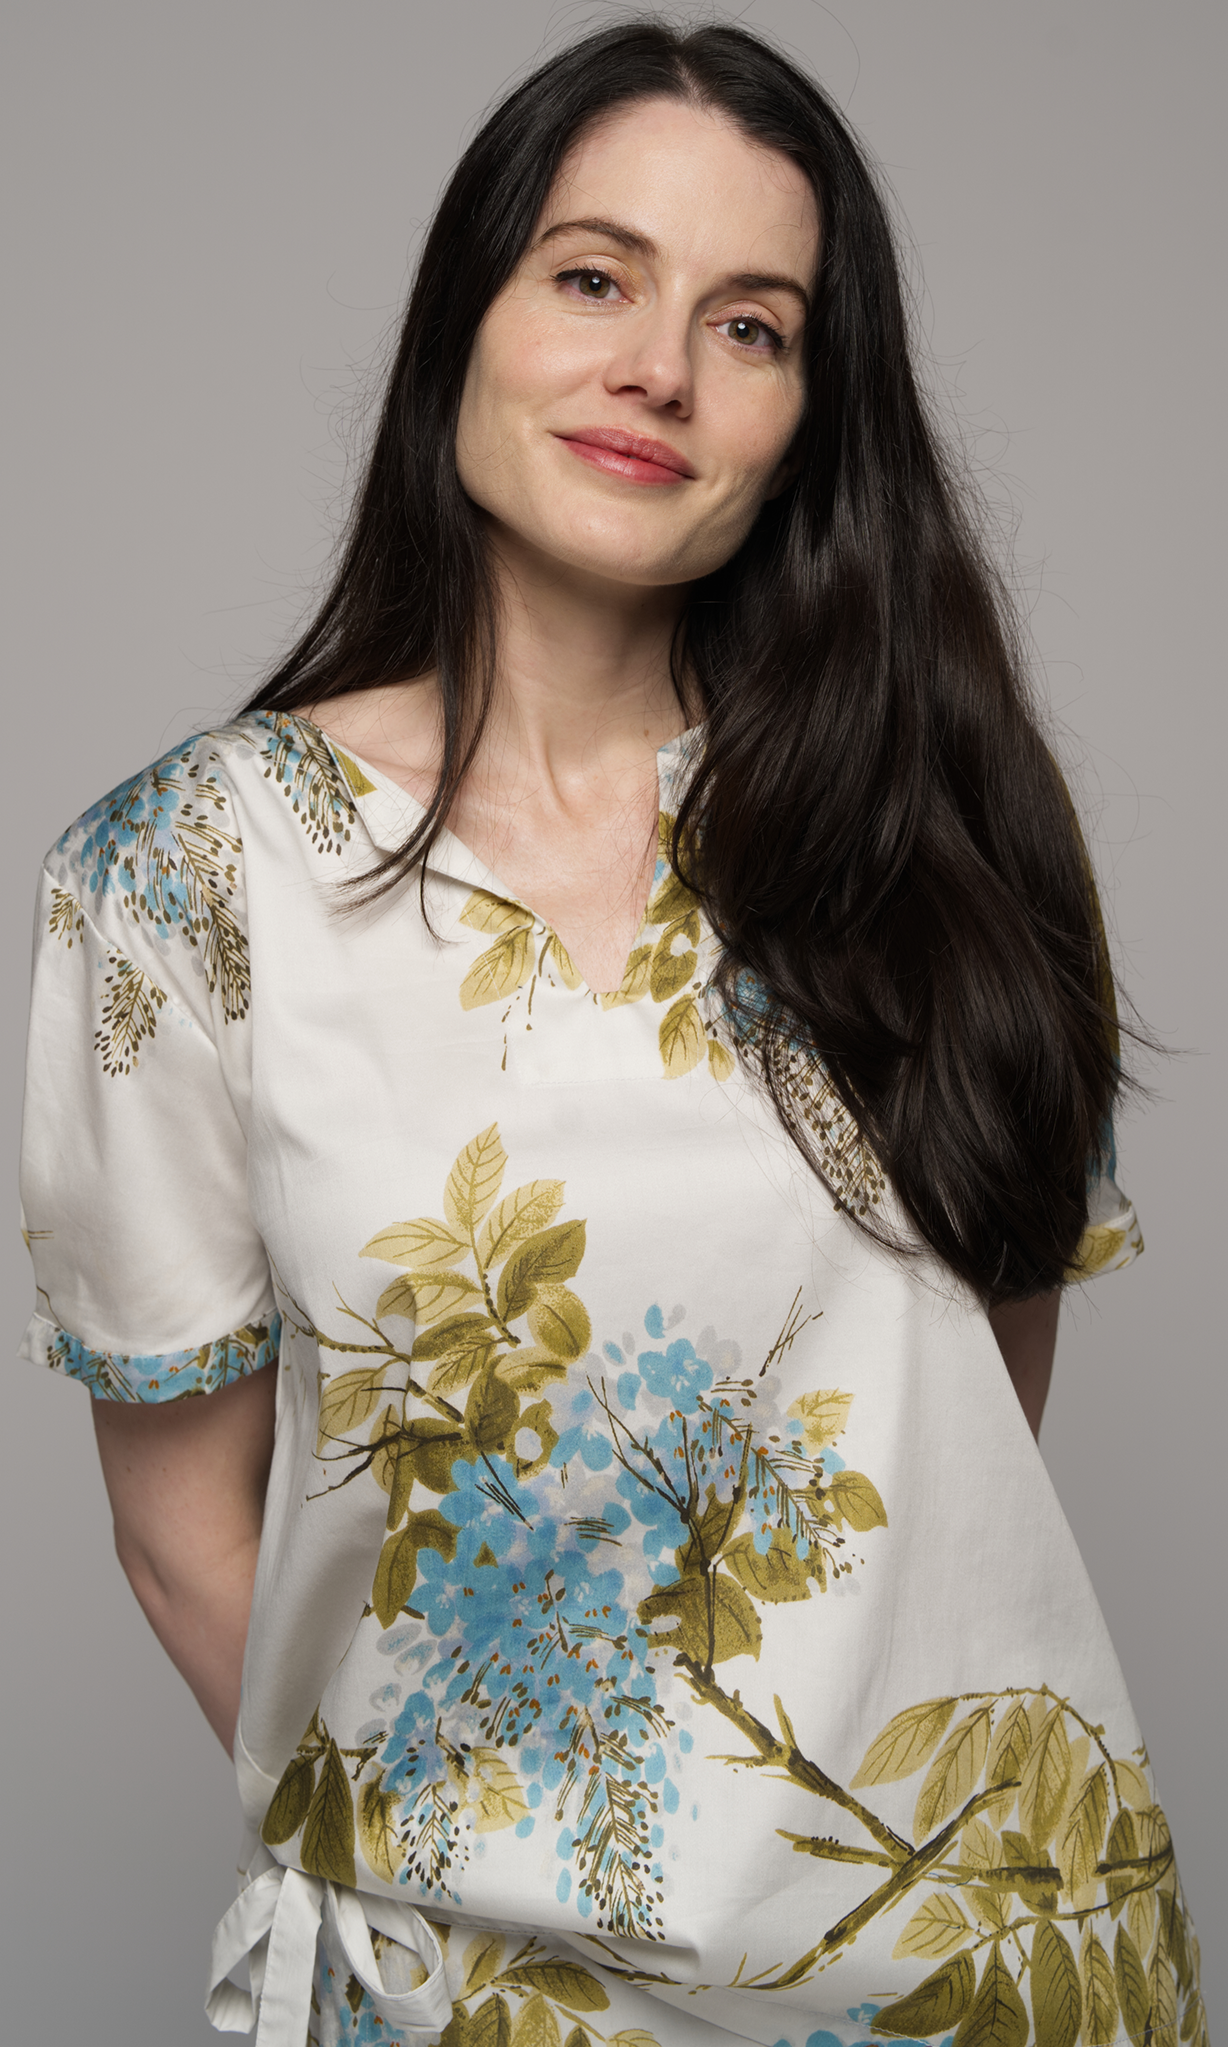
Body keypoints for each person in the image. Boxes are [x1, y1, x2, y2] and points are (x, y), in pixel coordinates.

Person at [18, 18, 1205, 2047]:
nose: (656, 364)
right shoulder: (187, 881)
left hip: (1000, 1984)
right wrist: (499, 1883)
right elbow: (181, 1529)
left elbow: (967, 1432)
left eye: (750, 326)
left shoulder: (936, 827)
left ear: (806, 420)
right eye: (592, 277)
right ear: (459, 323)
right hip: (477, 2003)